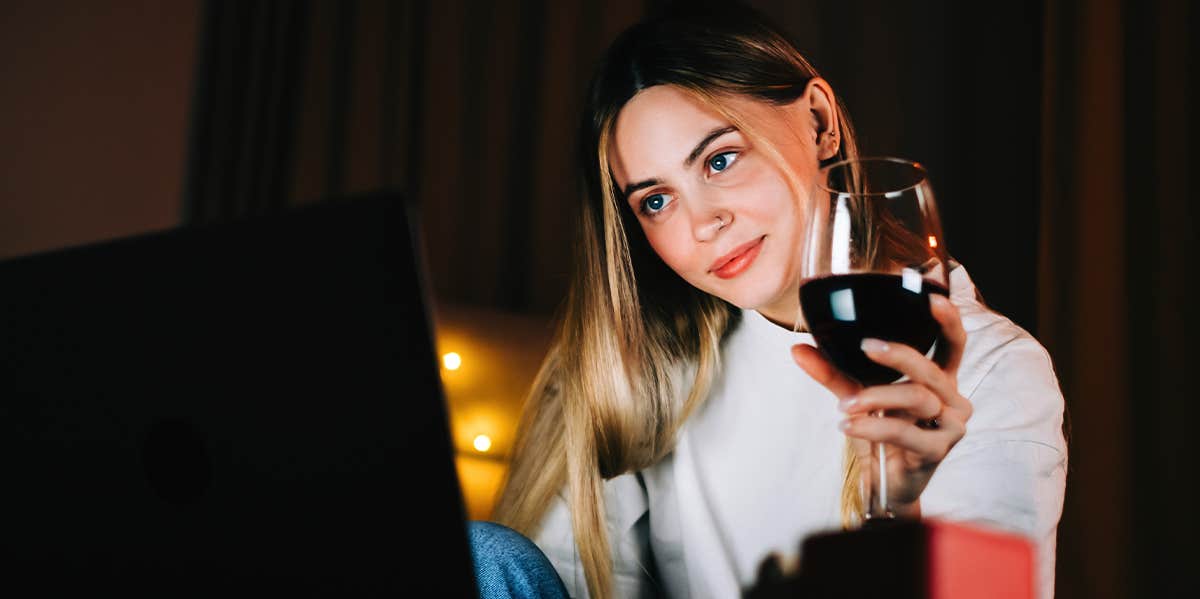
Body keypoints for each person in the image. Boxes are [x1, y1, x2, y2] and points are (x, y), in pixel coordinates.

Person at [471, 3, 1067, 598]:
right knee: (485, 556)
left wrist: (895, 513)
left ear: (818, 120)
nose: (703, 223)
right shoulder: (649, 359)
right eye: (656, 200)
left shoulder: (995, 371)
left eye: (720, 160)